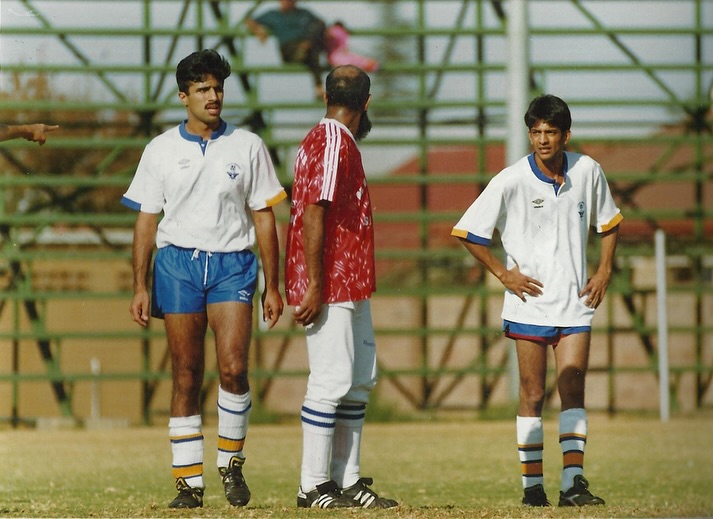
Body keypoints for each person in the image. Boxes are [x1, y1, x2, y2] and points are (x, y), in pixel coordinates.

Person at [121, 49, 286, 509]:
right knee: (186, 374)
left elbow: (265, 217)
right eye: (203, 90)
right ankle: (188, 484)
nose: (213, 97)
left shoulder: (248, 145)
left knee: (233, 369)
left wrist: (273, 284)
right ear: (183, 96)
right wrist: (140, 284)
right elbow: (146, 222)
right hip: (177, 265)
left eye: (218, 88)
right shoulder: (160, 150)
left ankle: (231, 465)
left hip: (233, 263)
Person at [451, 94, 621, 508]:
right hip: (529, 304)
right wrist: (504, 274)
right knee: (532, 394)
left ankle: (573, 483)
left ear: (566, 134)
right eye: (536, 132)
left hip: (576, 302)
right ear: (530, 134)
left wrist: (603, 271)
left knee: (573, 386)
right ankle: (532, 489)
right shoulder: (511, 179)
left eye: (550, 132)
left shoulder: (588, 170)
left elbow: (610, 223)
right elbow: (468, 233)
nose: (543, 140)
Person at [285, 65, 398, 510]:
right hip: (330, 280)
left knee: (357, 378)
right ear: (366, 103)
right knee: (330, 379)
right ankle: (312, 485)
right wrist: (315, 284)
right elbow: (315, 210)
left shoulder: (333, 139)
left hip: (348, 279)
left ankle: (346, 479)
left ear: (326, 95)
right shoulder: (332, 140)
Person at [246, 0, 326, 98]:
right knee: (311, 50)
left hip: (306, 46)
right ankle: (318, 86)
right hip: (289, 48)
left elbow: (321, 23)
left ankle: (318, 86)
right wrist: (258, 29)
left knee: (312, 48)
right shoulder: (273, 15)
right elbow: (249, 20)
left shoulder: (304, 13)